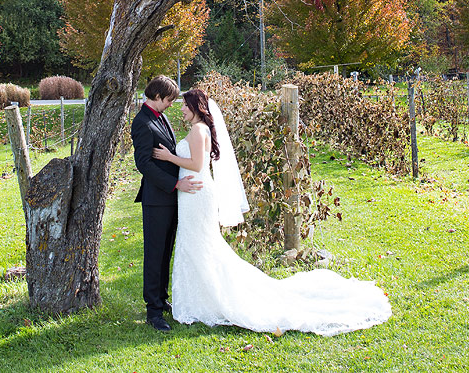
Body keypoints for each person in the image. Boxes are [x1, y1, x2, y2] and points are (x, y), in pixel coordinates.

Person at [151, 88, 392, 335]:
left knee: (200, 245)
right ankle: (199, 297)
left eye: (184, 106)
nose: (181, 109)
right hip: (192, 193)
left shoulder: (198, 130)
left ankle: (207, 298)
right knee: (197, 245)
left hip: (197, 193)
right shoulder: (198, 129)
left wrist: (169, 157)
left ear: (195, 107)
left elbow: (197, 164)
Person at [131, 75, 203, 332]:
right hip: (156, 199)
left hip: (171, 199)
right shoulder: (141, 122)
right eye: (170, 99)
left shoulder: (160, 118)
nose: (172, 104)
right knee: (154, 254)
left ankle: (161, 300)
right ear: (158, 96)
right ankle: (153, 311)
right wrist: (175, 184)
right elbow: (144, 164)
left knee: (166, 252)